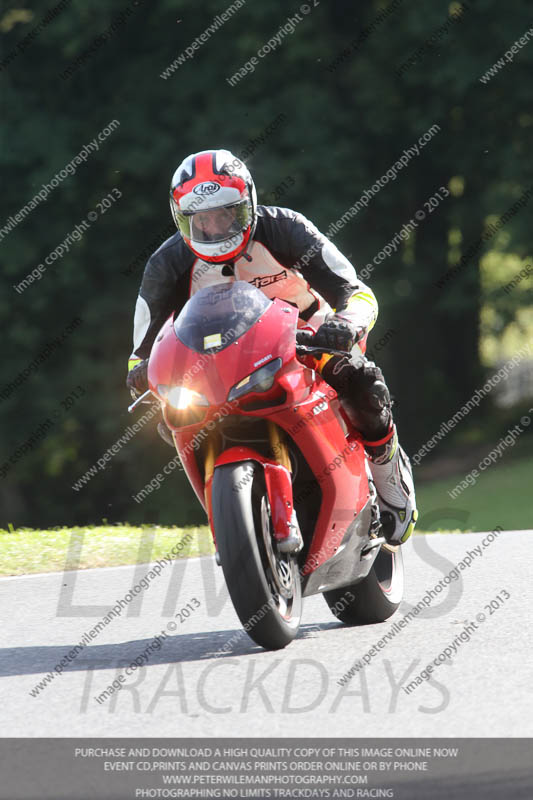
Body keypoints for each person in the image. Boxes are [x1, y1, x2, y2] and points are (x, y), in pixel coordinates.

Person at [127, 149, 417, 545]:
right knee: (172, 418)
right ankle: (234, 519)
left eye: (226, 215)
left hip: (308, 336)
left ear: (248, 206)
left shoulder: (286, 229)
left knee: (362, 381)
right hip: (219, 363)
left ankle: (389, 480)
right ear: (182, 220)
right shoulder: (166, 264)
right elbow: (143, 345)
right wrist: (141, 372)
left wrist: (344, 325)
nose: (214, 229)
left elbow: (356, 291)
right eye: (202, 221)